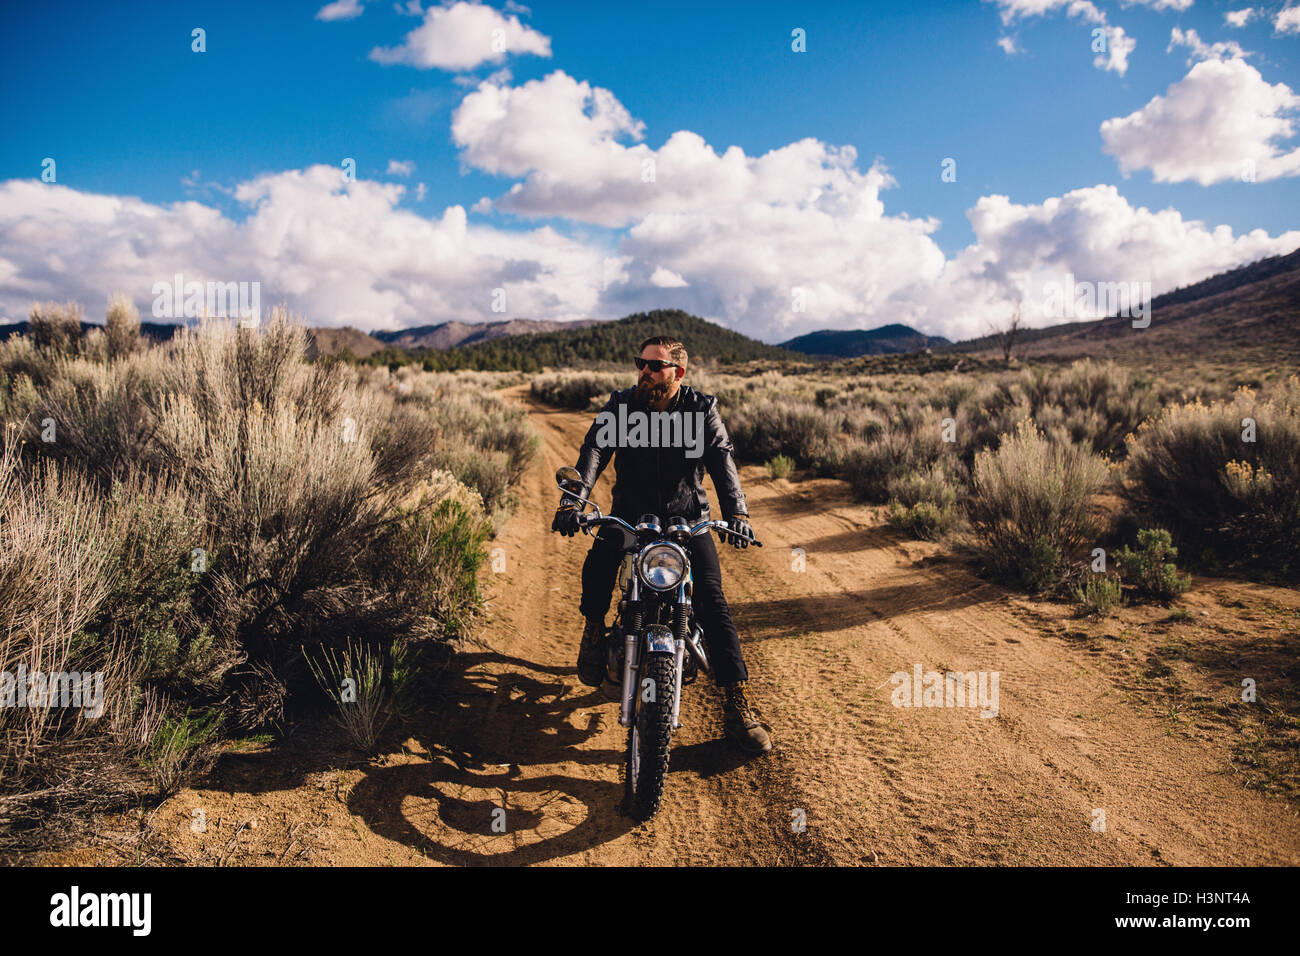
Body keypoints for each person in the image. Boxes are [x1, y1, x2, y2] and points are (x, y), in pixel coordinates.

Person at [550, 335, 773, 755]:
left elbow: (722, 459)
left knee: (711, 599)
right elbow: (594, 450)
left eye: (654, 366)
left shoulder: (701, 409)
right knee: (599, 565)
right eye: (641, 363)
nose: (645, 372)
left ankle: (737, 703)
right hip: (630, 516)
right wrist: (573, 502)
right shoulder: (621, 406)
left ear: (678, 373)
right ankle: (595, 630)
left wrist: (738, 514)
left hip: (687, 519)